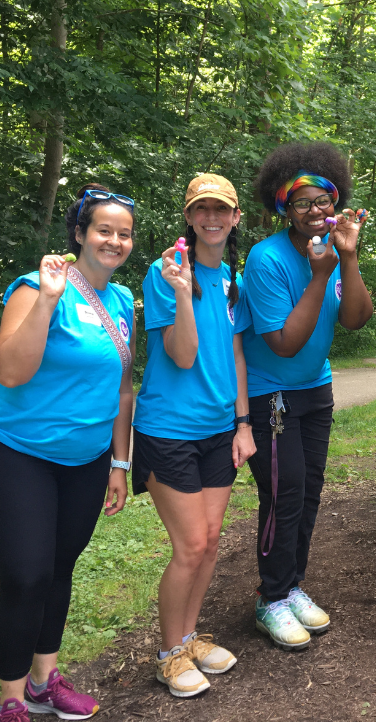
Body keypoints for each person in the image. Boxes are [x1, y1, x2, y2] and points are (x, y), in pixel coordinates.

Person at [0, 184, 137, 722]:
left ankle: (44, 681)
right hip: (17, 453)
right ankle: (11, 698)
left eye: (124, 233)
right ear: (80, 234)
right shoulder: (35, 286)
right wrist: (47, 299)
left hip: (87, 460)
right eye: (104, 230)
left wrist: (119, 462)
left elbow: (122, 390)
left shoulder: (121, 302)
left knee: (59, 569)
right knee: (26, 577)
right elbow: (10, 372)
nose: (115, 241)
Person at [242, 142, 374, 650]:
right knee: (284, 493)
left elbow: (356, 319)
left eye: (323, 199)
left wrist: (348, 258)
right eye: (302, 203)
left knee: (310, 490)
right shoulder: (267, 258)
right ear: (285, 209)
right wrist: (320, 275)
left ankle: (291, 584)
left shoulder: (334, 252)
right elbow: (283, 342)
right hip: (271, 393)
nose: (315, 210)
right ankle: (270, 597)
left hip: (316, 388)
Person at [132, 175, 255, 697]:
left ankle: (187, 638)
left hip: (219, 431)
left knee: (210, 544)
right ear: (188, 216)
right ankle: (169, 655)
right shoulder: (164, 273)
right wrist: (183, 291)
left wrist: (244, 424)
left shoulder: (232, 280)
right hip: (169, 430)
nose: (211, 218)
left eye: (221, 209)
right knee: (191, 546)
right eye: (201, 209)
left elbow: (236, 355)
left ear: (235, 218)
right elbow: (182, 356)